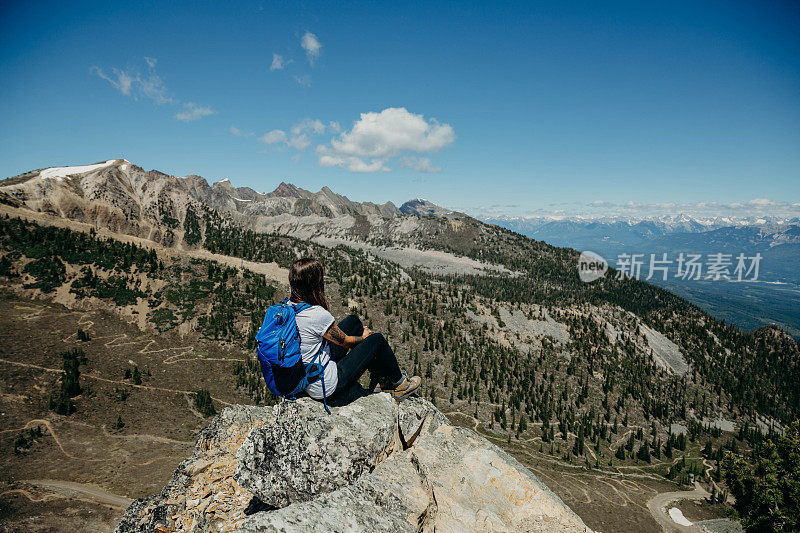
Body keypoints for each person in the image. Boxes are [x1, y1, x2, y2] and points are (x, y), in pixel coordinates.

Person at [287, 257, 422, 402]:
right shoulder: (316, 314)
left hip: (307, 374)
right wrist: (364, 339)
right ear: (314, 284)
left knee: (353, 322)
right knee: (376, 340)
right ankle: (401, 384)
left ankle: (380, 378)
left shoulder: (289, 306)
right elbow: (345, 341)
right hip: (324, 385)